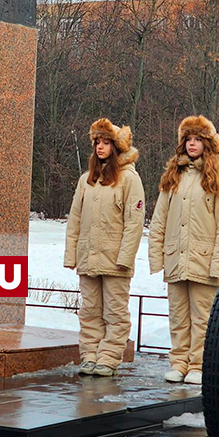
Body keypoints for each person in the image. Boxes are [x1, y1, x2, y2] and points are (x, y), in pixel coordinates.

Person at [149, 116, 219, 385]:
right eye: (188, 139)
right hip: (177, 259)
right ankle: (178, 362)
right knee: (178, 316)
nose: (191, 144)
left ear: (207, 143)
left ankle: (199, 365)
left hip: (204, 260)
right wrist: (158, 257)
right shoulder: (174, 175)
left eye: (197, 139)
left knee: (203, 318)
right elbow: (159, 220)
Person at [64, 118, 146, 377]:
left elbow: (135, 223)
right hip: (89, 258)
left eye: (106, 143)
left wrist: (124, 257)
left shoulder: (129, 179)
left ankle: (109, 358)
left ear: (116, 146)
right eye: (97, 142)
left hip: (114, 261)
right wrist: (72, 254)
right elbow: (74, 218)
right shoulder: (86, 180)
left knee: (115, 312)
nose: (100, 148)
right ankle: (89, 356)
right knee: (89, 311)